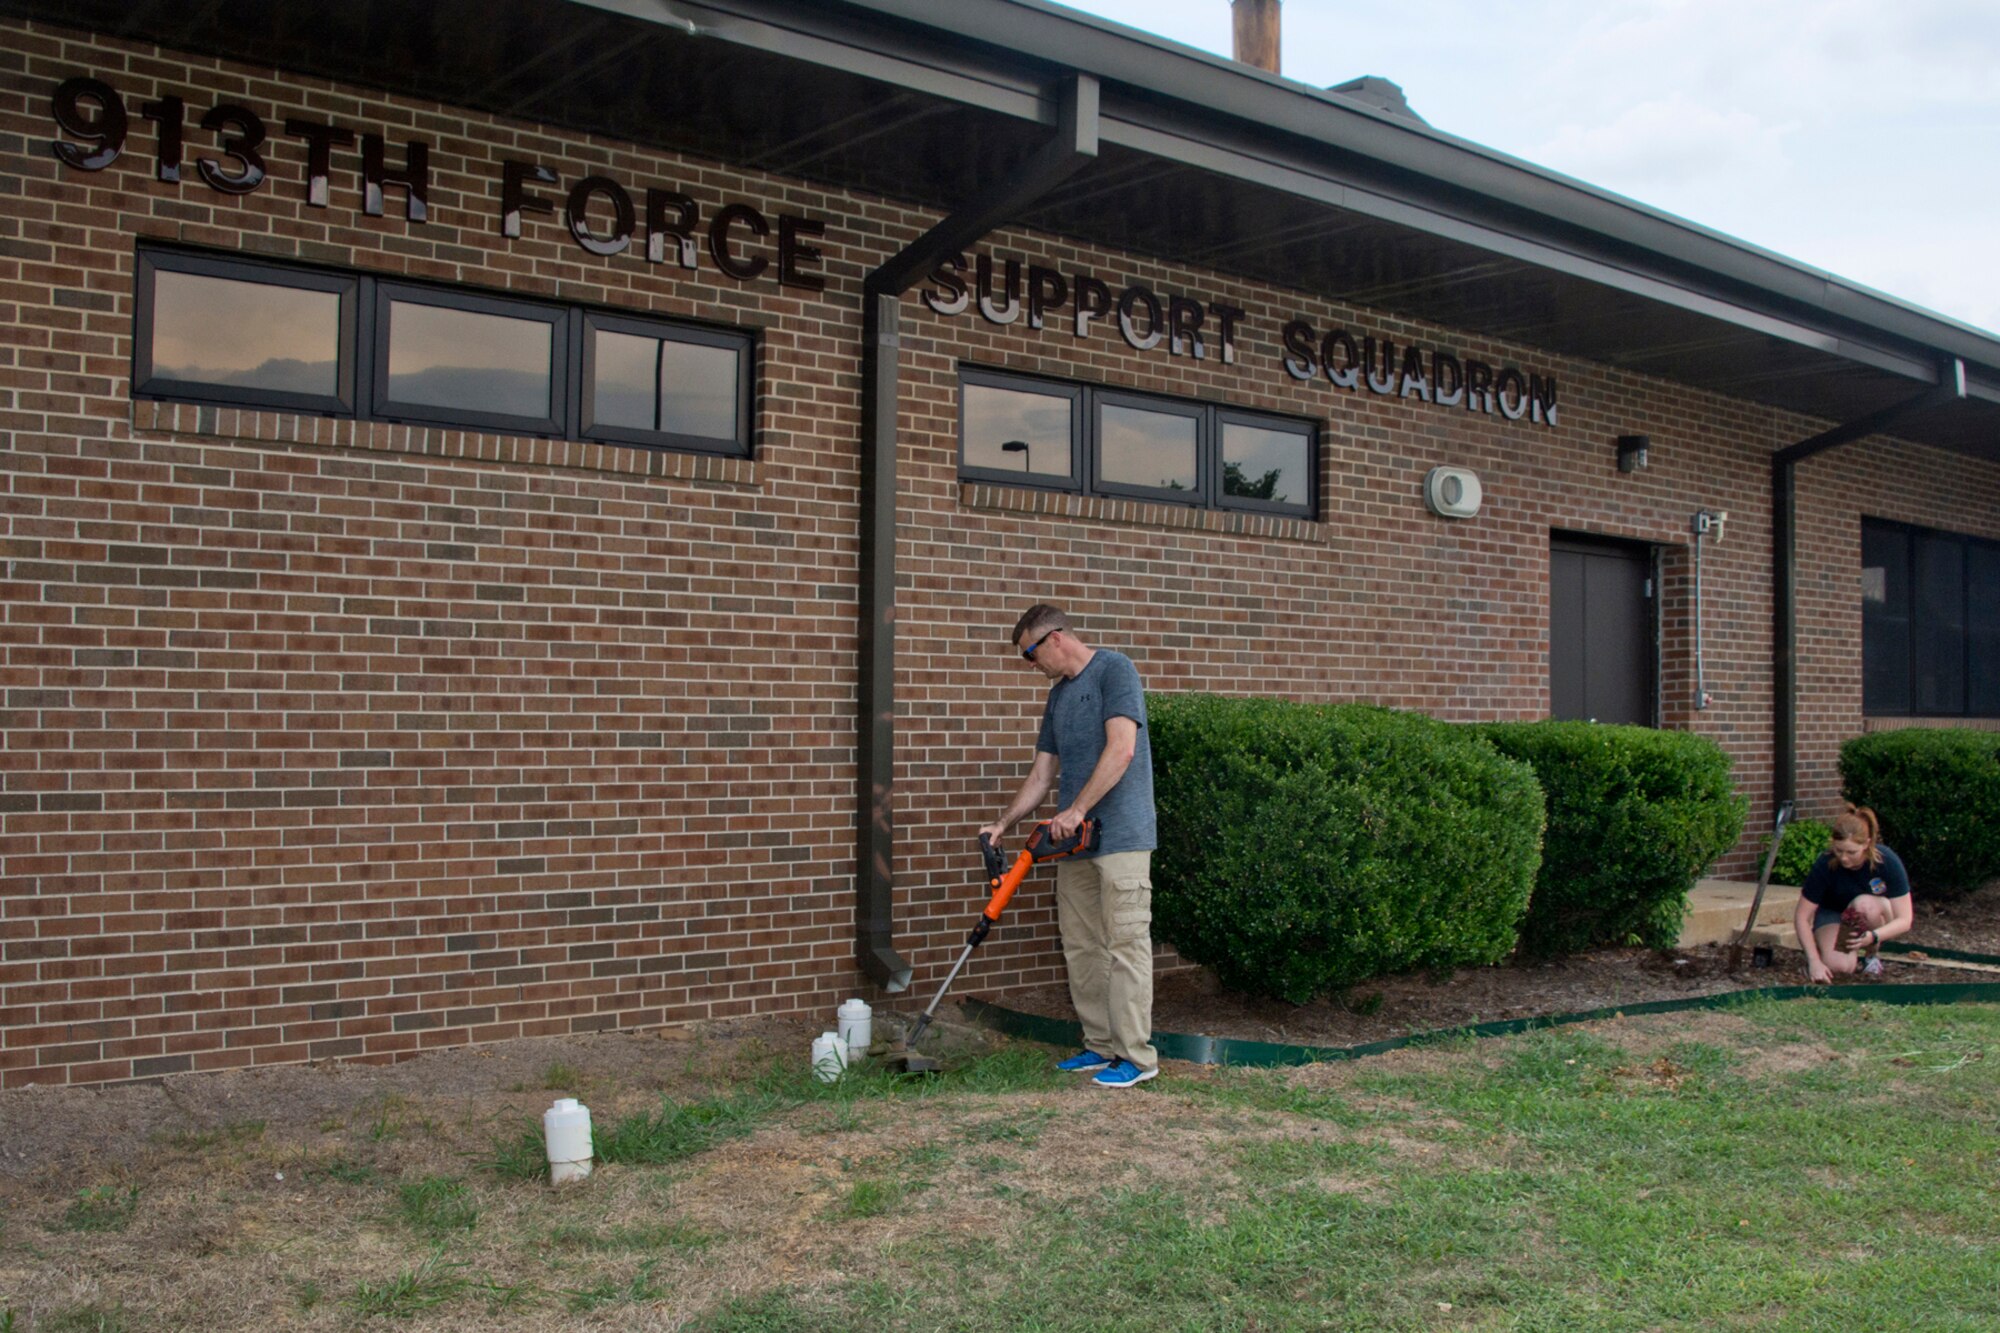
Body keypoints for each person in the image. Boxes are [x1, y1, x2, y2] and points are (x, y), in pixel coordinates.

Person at [979, 605, 1159, 1088]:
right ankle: (1100, 1046)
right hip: (1073, 842)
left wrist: (1077, 809)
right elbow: (1042, 775)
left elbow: (1121, 748)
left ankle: (1137, 1058)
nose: (1030, 665)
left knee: (1126, 945)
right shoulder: (1057, 698)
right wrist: (1003, 823)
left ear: (1054, 639)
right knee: (1082, 946)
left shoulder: (1114, 670)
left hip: (1121, 835)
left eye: (1030, 655)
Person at [1794, 805, 1914, 984]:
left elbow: (1905, 920)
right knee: (1840, 967)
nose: (1843, 858)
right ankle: (1837, 951)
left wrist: (1873, 936)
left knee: (1864, 904)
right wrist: (1814, 962)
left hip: (1870, 913)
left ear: (1866, 843)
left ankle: (1871, 955)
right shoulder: (1825, 864)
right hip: (1834, 914)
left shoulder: (1887, 862)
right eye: (1839, 850)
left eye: (1851, 852)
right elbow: (1802, 917)